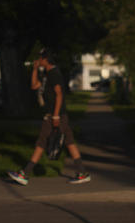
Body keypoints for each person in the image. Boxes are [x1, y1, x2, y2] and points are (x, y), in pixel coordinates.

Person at [7, 48, 91, 185]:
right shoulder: (46, 74)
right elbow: (34, 86)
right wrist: (34, 69)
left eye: (40, 58)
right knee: (69, 142)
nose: (38, 60)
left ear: (46, 59)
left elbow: (59, 94)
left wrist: (55, 116)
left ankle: (24, 174)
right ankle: (82, 173)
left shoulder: (54, 74)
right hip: (59, 115)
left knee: (41, 142)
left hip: (55, 115)